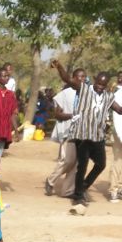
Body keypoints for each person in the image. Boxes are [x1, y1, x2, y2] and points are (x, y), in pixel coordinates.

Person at [52, 59, 122, 215]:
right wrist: (60, 66)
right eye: (98, 84)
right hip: (82, 136)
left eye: (103, 86)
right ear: (95, 81)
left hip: (98, 136)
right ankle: (78, 196)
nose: (100, 88)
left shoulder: (109, 97)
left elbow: (119, 111)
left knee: (101, 164)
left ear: (107, 85)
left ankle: (82, 187)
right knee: (82, 166)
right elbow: (67, 79)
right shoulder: (84, 89)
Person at [44, 69, 83, 199]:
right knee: (66, 160)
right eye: (79, 77)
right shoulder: (65, 94)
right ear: (72, 78)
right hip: (67, 131)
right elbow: (57, 114)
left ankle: (67, 190)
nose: (81, 80)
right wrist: (72, 115)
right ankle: (51, 180)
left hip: (82, 132)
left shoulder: (87, 93)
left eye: (84, 77)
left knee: (76, 163)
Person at [110, 70, 122, 202]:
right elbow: (117, 118)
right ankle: (113, 190)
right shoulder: (120, 94)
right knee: (118, 162)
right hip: (121, 133)